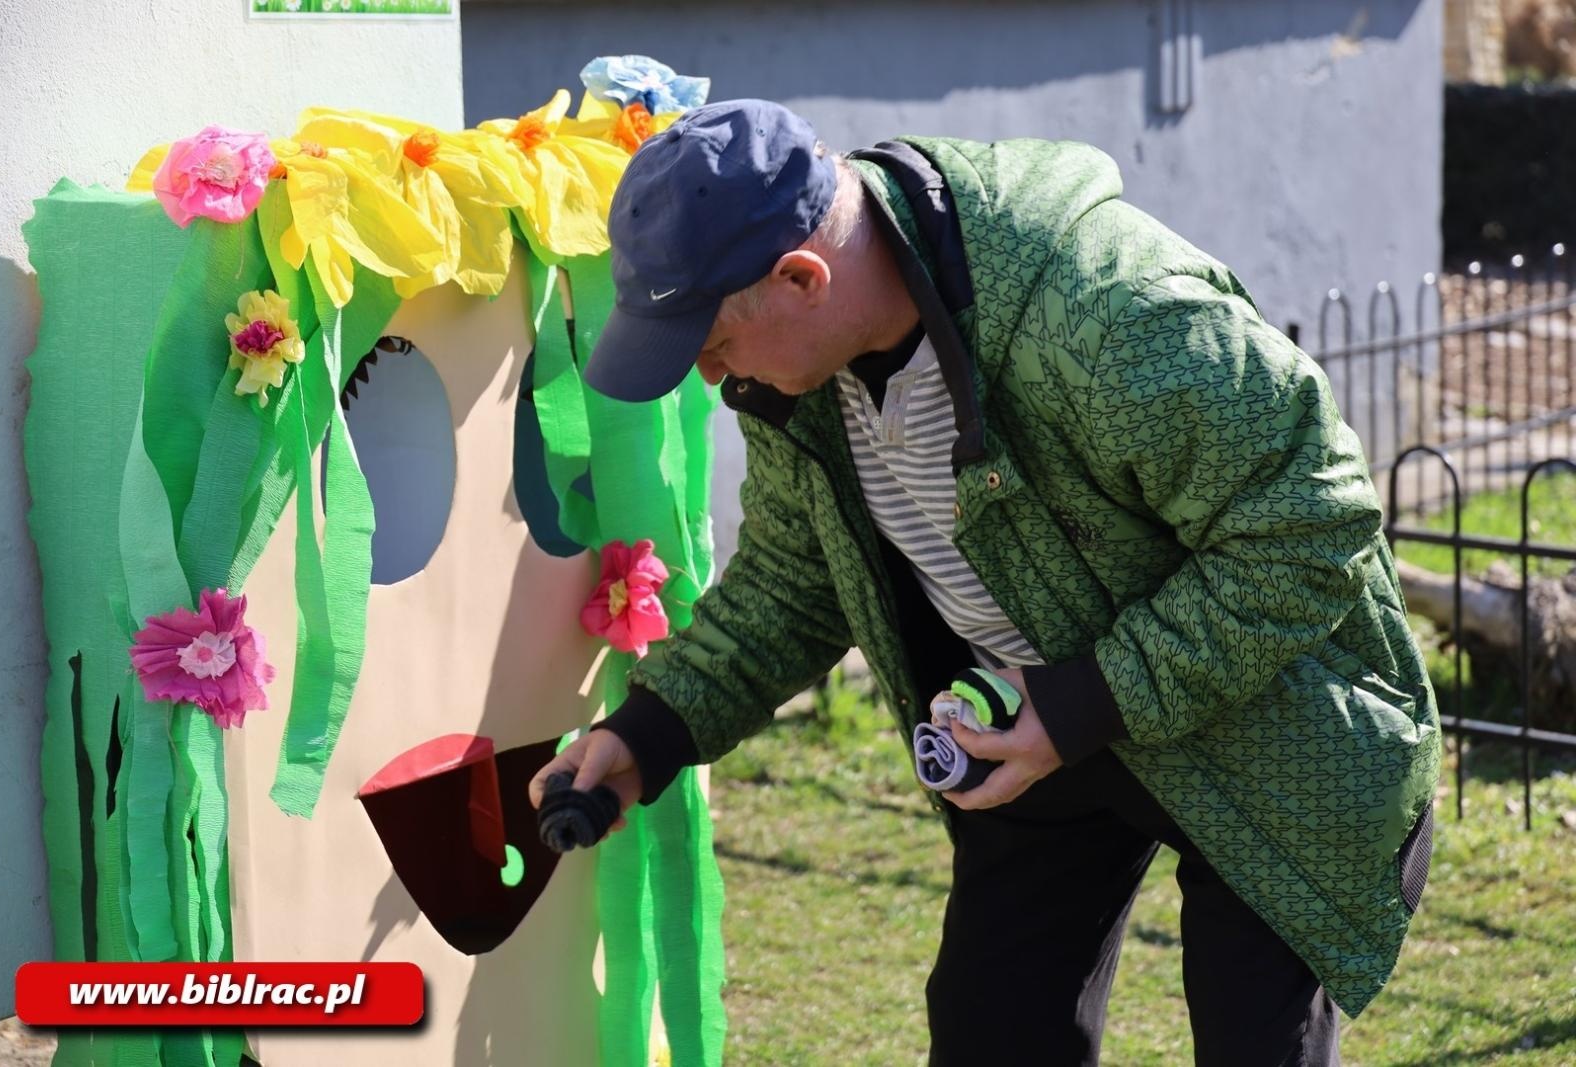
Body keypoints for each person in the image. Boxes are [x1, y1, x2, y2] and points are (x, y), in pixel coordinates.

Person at [528, 99, 1440, 1066]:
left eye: (711, 348)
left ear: (802, 276)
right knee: (991, 1031)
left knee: (1257, 1043)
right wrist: (651, 730)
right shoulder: (795, 372)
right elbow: (798, 580)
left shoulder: (1108, 310)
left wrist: (1088, 697)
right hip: (1044, 725)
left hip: (1265, 725)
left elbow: (1310, 525)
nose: (714, 381)